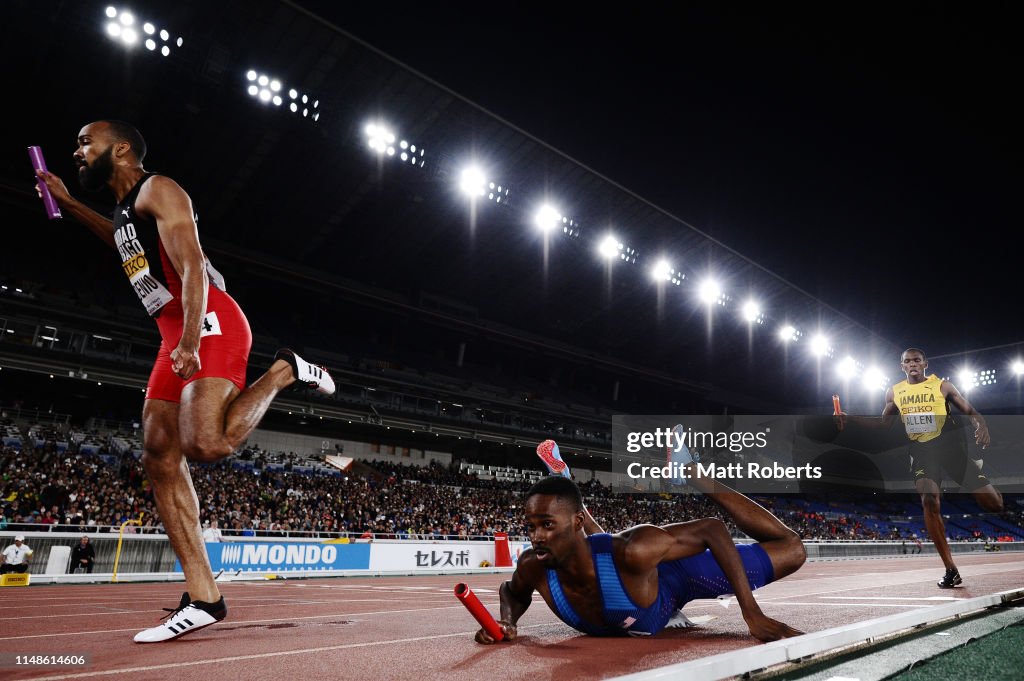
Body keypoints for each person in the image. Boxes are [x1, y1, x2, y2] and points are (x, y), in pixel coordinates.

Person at [35, 120, 337, 643]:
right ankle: (204, 597)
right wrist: (69, 201)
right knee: (157, 453)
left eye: (87, 142)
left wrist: (192, 340)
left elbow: (193, 264)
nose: (77, 151)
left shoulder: (160, 188)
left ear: (121, 148)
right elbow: (122, 243)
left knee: (208, 443)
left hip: (209, 322)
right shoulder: (127, 211)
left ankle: (284, 369)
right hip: (171, 331)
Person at [476, 466, 806, 643]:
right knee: (606, 557)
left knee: (793, 549)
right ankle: (564, 482)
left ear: (574, 522)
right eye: (531, 527)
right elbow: (512, 592)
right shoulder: (534, 567)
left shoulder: (634, 550)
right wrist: (506, 622)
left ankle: (693, 472)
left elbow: (711, 529)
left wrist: (753, 614)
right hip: (630, 580)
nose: (536, 537)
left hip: (679, 576)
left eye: (547, 525)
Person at [881, 348, 1003, 588]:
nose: (912, 363)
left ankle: (980, 476)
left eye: (916, 359)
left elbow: (970, 410)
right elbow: (882, 424)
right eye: (907, 361)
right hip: (922, 453)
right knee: (929, 500)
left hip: (952, 451)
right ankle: (951, 569)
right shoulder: (894, 392)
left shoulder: (943, 386)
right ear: (902, 366)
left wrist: (982, 423)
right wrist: (847, 422)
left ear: (925, 363)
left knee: (995, 504)